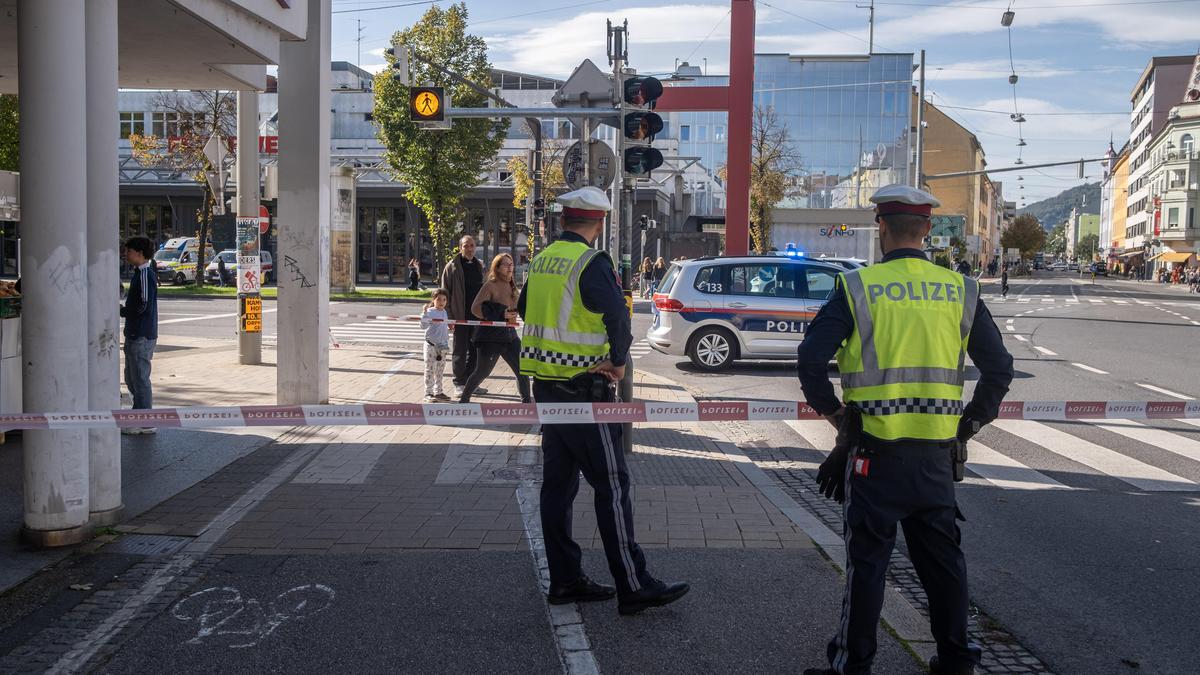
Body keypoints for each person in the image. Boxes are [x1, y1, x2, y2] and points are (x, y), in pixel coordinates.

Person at [797, 185, 1014, 675]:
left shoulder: (858, 288)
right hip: (936, 457)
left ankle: (854, 666)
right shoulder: (961, 289)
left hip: (874, 454)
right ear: (928, 230)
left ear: (881, 228)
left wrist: (836, 418)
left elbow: (810, 359)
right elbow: (999, 368)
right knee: (943, 564)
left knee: (868, 564)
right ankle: (958, 661)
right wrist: (968, 425)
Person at [518, 186, 689, 615]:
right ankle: (633, 584)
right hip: (586, 391)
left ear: (562, 222)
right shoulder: (591, 262)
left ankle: (565, 579)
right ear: (599, 223)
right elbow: (617, 313)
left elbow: (524, 309)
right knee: (612, 486)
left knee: (557, 487)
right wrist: (617, 362)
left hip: (548, 389)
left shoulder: (541, 261)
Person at [459, 253, 531, 403]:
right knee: (482, 372)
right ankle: (464, 399)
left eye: (511, 264)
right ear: (497, 268)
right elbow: (475, 308)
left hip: (509, 335)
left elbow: (515, 308)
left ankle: (526, 402)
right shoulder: (490, 285)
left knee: (522, 369)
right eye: (505, 264)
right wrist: (500, 313)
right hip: (490, 338)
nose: (510, 267)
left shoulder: (512, 284)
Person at [120, 236, 160, 435]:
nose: (125, 254)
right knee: (132, 377)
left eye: (128, 251)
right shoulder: (141, 273)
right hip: (137, 332)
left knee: (140, 378)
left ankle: (143, 420)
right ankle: (140, 415)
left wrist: (123, 311)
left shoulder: (145, 274)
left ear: (139, 253)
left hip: (141, 334)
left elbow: (143, 305)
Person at [440, 235, 487, 398]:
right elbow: (445, 292)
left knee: (475, 351)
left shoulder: (479, 265)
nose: (470, 249)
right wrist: (449, 317)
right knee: (460, 350)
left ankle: (471, 383)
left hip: (477, 317)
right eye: (466, 246)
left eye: (472, 245)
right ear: (460, 247)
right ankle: (459, 383)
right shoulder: (452, 266)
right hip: (460, 316)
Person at [420, 289, 452, 403]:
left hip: (442, 346)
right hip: (431, 345)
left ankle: (438, 391)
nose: (441, 302)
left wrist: (449, 328)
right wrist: (424, 313)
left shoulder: (444, 312)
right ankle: (428, 393)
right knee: (430, 369)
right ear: (433, 300)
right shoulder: (430, 311)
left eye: (444, 300)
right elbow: (423, 326)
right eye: (438, 299)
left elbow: (444, 326)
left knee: (440, 370)